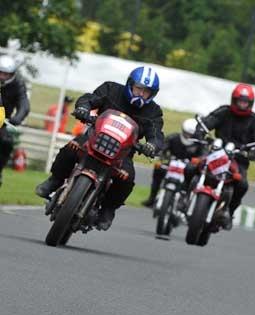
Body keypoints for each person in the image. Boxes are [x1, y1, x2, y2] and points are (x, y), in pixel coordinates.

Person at [35, 66, 164, 230]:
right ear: (130, 84)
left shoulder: (154, 111)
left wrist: (152, 146)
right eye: (138, 88)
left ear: (152, 94)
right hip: (92, 138)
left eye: (146, 92)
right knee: (71, 148)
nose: (141, 94)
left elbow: (156, 134)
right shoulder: (110, 89)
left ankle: (108, 209)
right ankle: (54, 180)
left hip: (123, 153)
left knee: (127, 178)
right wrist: (83, 108)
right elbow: (90, 98)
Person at [194, 83, 255, 229]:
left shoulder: (254, 119)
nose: (242, 105)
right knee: (192, 167)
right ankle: (184, 196)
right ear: (233, 100)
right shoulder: (224, 111)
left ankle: (229, 211)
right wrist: (201, 132)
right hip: (216, 153)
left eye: (245, 102)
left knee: (242, 185)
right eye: (240, 101)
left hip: (238, 158)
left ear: (250, 104)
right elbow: (207, 122)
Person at [142, 118, 207, 208]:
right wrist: (159, 154)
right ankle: (152, 198)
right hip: (172, 163)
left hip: (189, 168)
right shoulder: (173, 138)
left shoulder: (200, 144)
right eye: (186, 133)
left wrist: (198, 160)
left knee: (196, 178)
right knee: (158, 168)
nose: (188, 136)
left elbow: (204, 155)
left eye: (190, 134)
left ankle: (186, 199)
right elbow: (162, 148)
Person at [0, 55, 31, 187]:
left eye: (6, 74)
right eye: (0, 73)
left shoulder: (18, 84)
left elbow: (24, 104)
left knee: (6, 142)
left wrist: (17, 118)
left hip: (2, 121)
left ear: (12, 74)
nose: (2, 76)